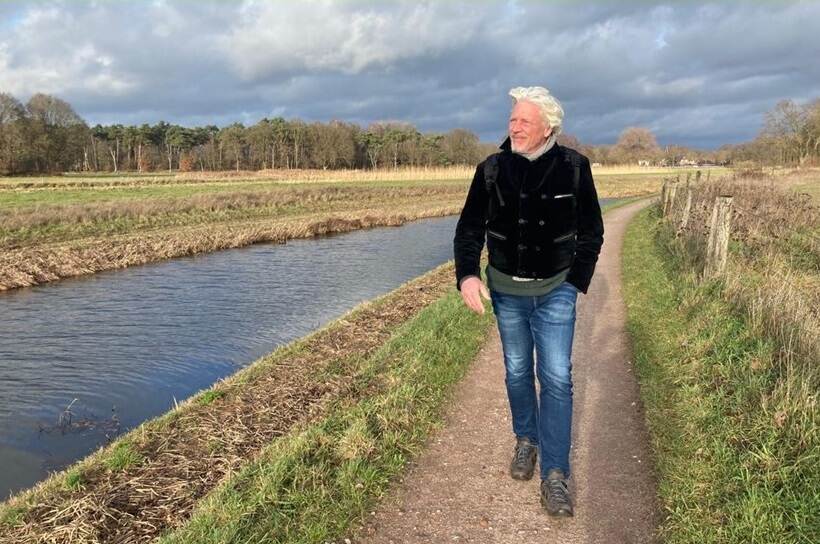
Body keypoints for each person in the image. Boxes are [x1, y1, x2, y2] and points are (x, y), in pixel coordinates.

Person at [453, 86, 604, 517]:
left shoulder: (575, 167)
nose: (514, 127)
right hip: (506, 290)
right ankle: (526, 440)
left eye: (523, 121)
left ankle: (555, 475)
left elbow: (592, 231)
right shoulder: (491, 169)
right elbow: (468, 229)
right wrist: (466, 275)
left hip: (556, 289)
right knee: (517, 370)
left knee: (556, 378)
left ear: (548, 127)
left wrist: (575, 282)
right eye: (512, 120)